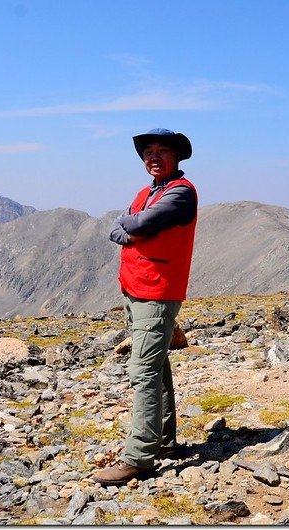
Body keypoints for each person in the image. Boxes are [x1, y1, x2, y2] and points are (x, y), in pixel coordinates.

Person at [92, 128, 198, 486]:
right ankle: (164, 442)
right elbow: (125, 225)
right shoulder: (147, 192)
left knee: (143, 371)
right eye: (148, 151)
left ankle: (139, 457)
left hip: (157, 292)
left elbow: (137, 223)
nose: (153, 156)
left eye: (162, 151)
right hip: (137, 289)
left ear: (177, 157)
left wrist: (131, 225)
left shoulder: (181, 194)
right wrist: (130, 226)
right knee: (157, 365)